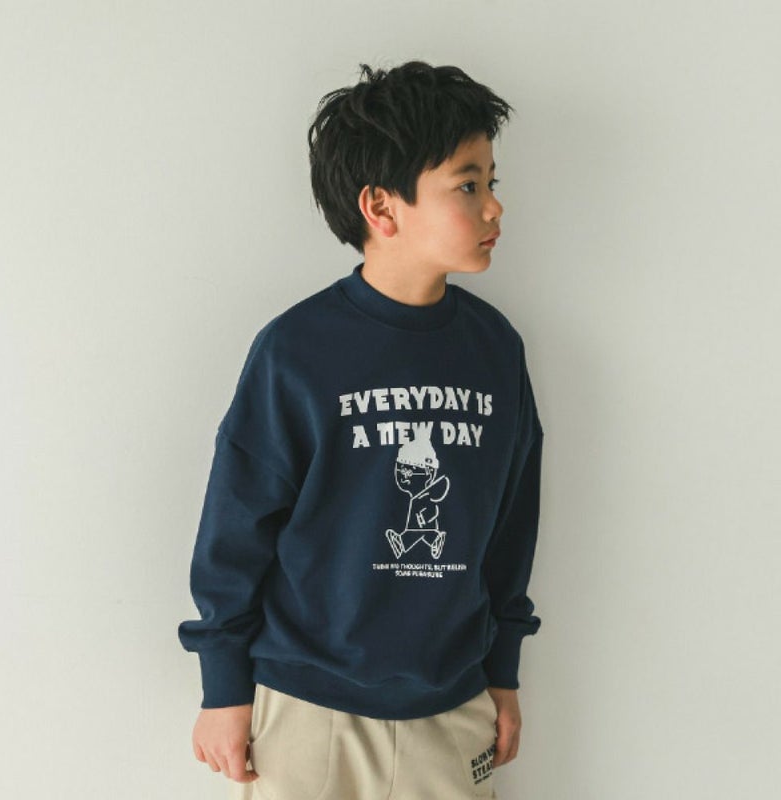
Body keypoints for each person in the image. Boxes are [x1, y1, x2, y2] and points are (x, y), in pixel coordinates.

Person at [178, 60, 545, 800]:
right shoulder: (297, 350)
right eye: (467, 185)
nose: (494, 207)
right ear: (381, 206)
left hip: (451, 703)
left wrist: (501, 672)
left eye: (491, 182)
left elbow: (511, 524)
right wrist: (224, 687)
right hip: (307, 707)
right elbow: (237, 526)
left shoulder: (494, 349)